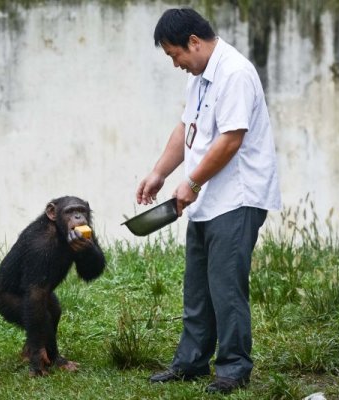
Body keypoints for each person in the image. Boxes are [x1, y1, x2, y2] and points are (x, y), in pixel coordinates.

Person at [135, 8, 281, 394]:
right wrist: (159, 173)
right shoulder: (201, 78)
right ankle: (192, 362)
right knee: (197, 286)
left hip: (237, 197)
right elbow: (187, 126)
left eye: (175, 55)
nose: (175, 64)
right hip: (207, 198)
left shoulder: (235, 73)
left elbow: (231, 139)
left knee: (226, 286)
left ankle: (234, 368)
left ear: (194, 42)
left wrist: (193, 182)